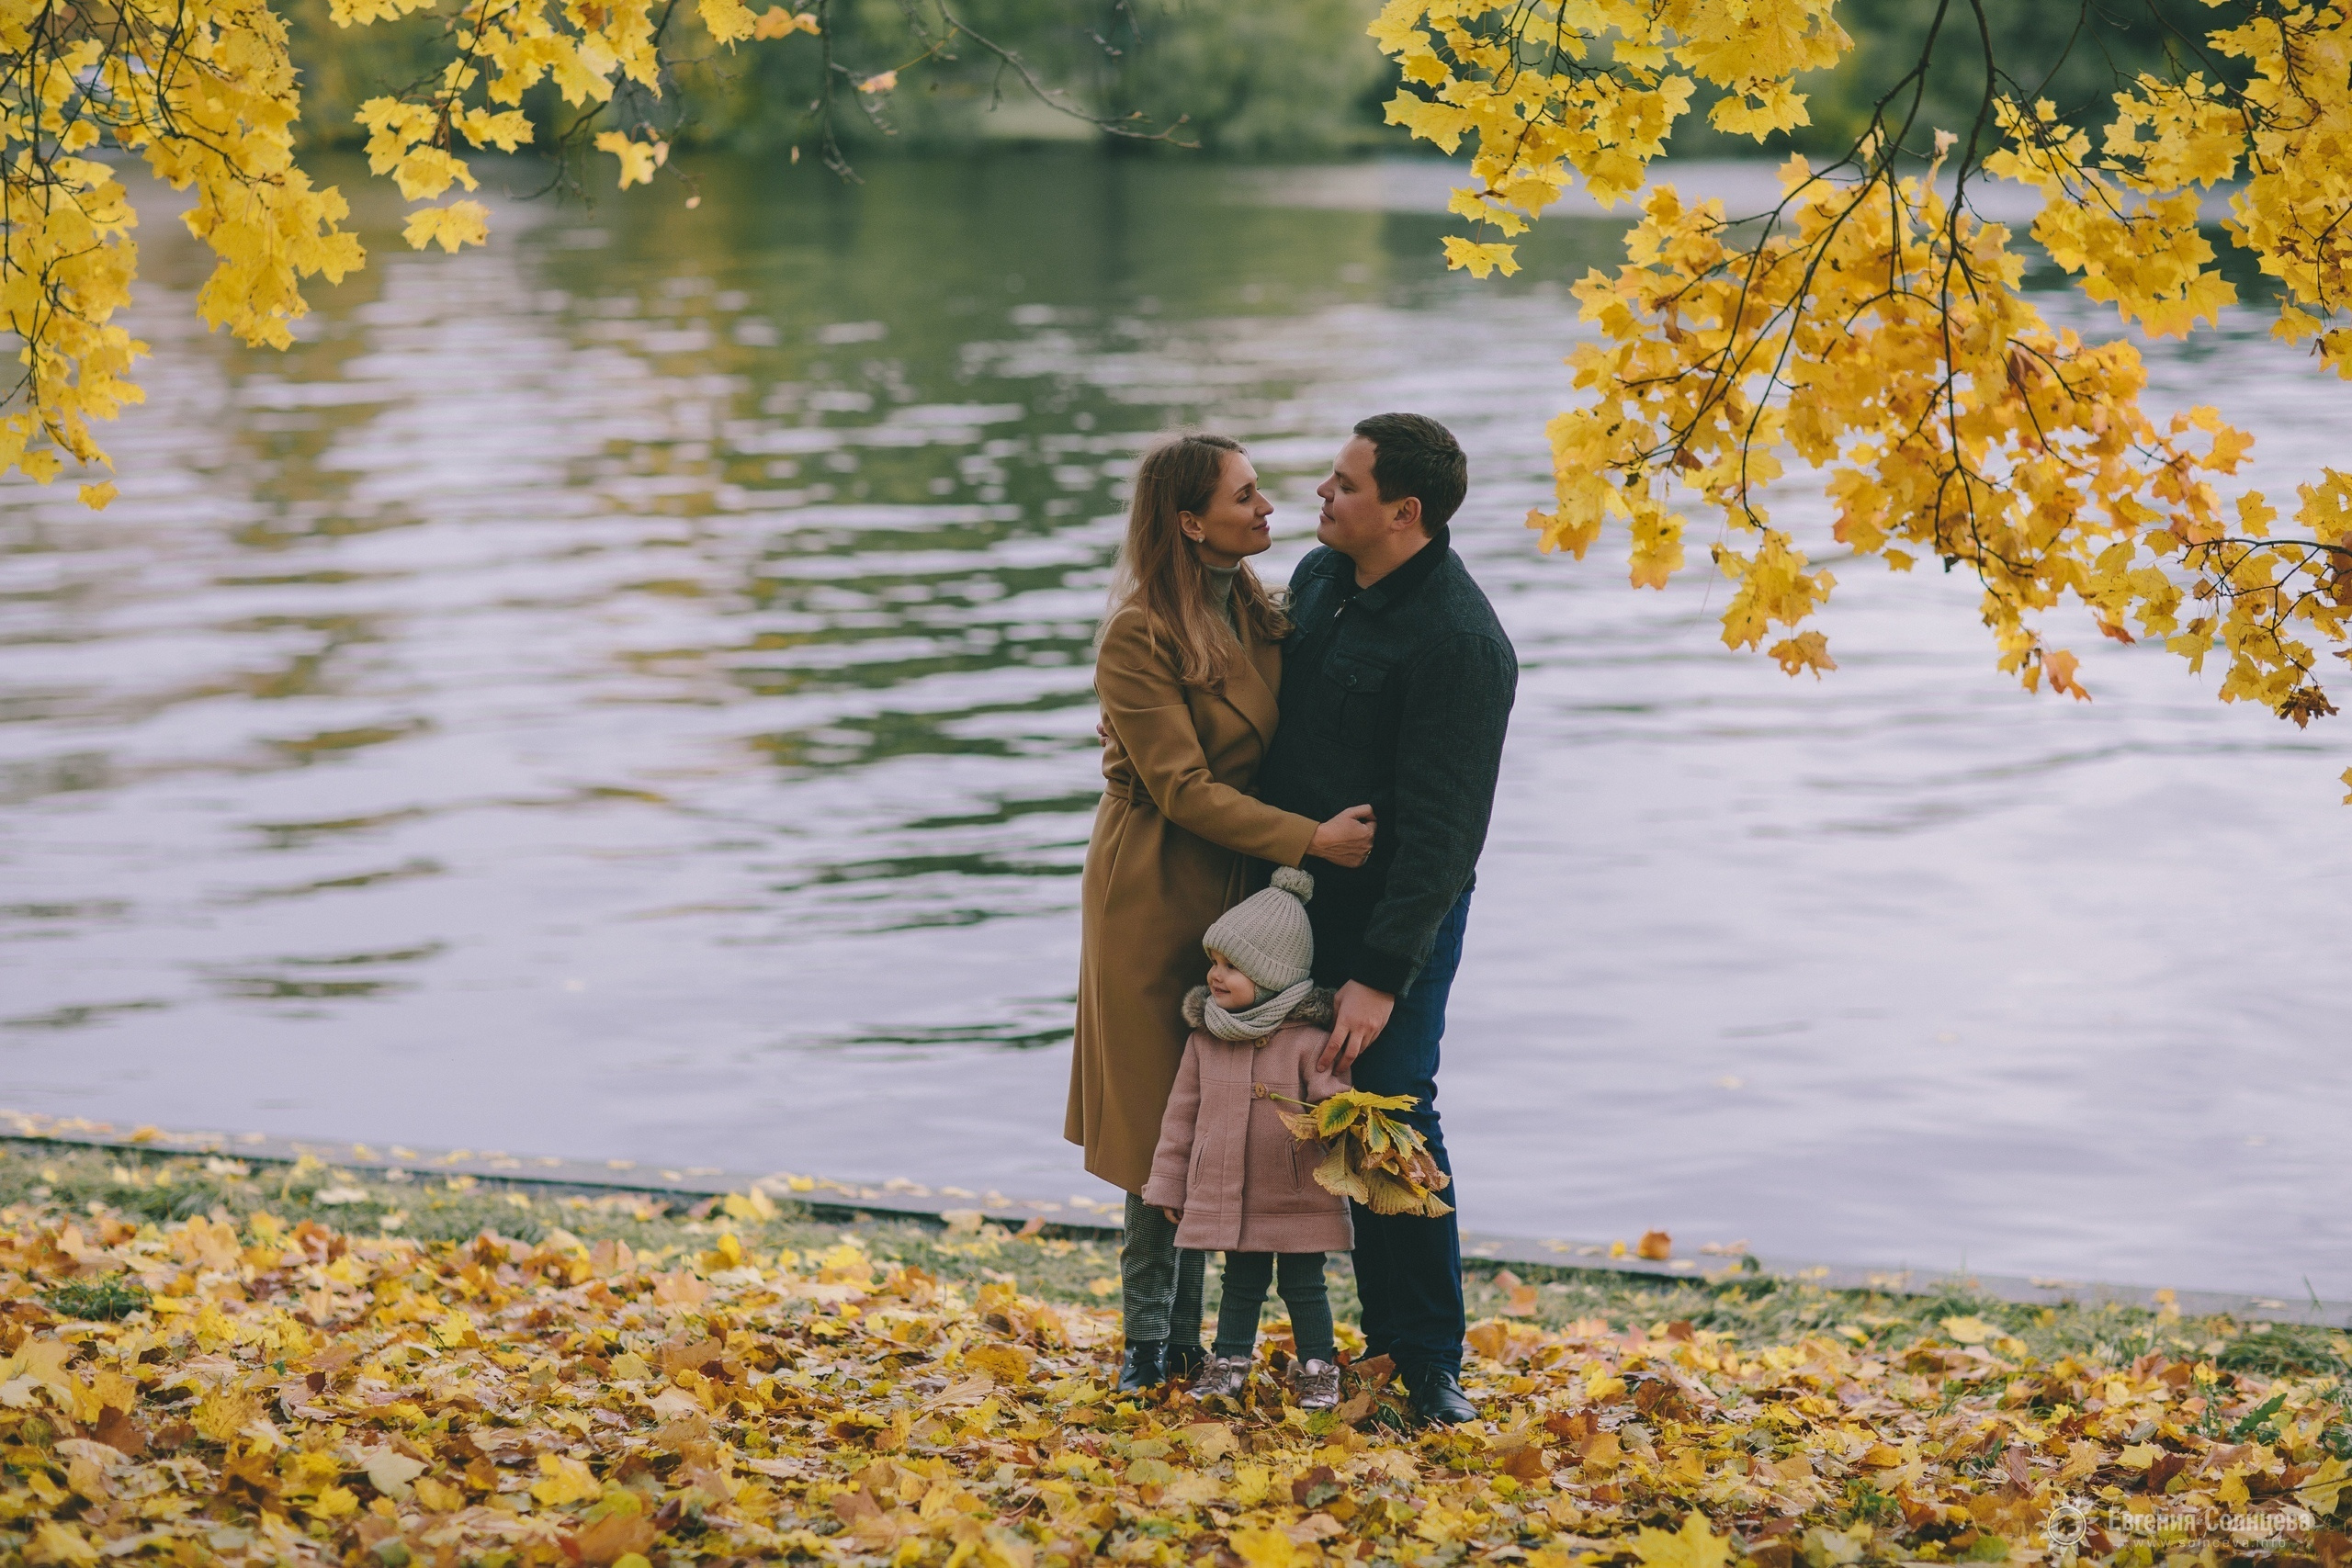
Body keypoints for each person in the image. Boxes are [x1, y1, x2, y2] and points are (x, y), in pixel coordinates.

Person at [1066, 433, 1378, 1395]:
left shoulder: (1258, 606)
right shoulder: (1138, 633)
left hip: (1246, 885)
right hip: (1155, 885)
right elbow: (1181, 788)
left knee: (1227, 1102)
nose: (1267, 506)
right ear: (1189, 522)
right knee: (1158, 1115)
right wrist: (1311, 840)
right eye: (1244, 496)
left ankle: (1199, 1337)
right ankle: (1150, 1339)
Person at [1253, 412, 1518, 1427]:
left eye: (1345, 483)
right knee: (1281, 1098)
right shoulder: (1321, 579)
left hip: (1401, 912)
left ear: (1404, 512)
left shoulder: (1461, 643)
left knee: (1392, 1108)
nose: (1322, 493)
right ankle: (1302, 1338)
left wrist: (1377, 977)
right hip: (1292, 891)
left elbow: (1447, 838)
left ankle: (1427, 1361)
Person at [1140, 867, 1352, 1410]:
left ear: (1273, 975)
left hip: (1298, 1190)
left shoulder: (1309, 1042)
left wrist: (1342, 1114)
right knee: (1240, 1281)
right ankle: (1228, 1364)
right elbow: (1180, 1119)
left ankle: (1318, 1368)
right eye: (1214, 962)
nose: (1216, 975)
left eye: (1232, 966)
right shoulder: (1206, 1040)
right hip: (1231, 1193)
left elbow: (1334, 1106)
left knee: (1305, 1284)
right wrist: (1169, 1185)